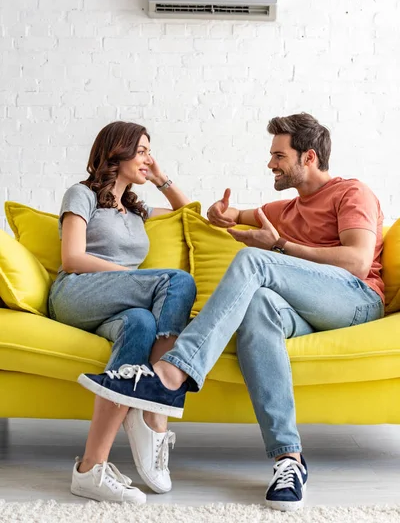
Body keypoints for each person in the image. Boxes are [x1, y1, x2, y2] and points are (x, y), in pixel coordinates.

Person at [78, 113, 385, 511]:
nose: (270, 163)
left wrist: (278, 248)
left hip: (356, 300)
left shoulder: (352, 193)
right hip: (305, 310)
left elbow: (358, 263)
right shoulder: (285, 209)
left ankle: (171, 374)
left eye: (278, 155)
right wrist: (221, 215)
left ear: (308, 157)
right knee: (257, 307)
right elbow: (222, 216)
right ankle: (288, 459)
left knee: (255, 261)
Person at [48, 121, 196, 503]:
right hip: (76, 293)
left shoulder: (136, 209)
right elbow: (72, 257)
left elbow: (188, 213)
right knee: (177, 282)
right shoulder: (81, 195)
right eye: (143, 151)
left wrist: (160, 176)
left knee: (142, 322)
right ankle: (155, 415)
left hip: (120, 307)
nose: (149, 158)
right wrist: (136, 280)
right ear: (118, 152)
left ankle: (90, 469)